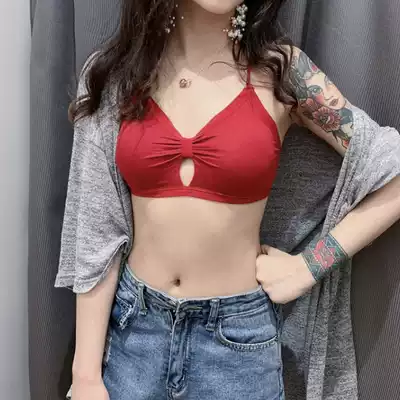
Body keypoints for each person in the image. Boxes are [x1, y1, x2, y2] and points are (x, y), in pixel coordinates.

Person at [55, 1, 400, 399]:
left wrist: (310, 266)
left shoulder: (282, 72)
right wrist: (85, 375)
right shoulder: (118, 74)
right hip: (134, 339)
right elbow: (96, 231)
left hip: (237, 349)